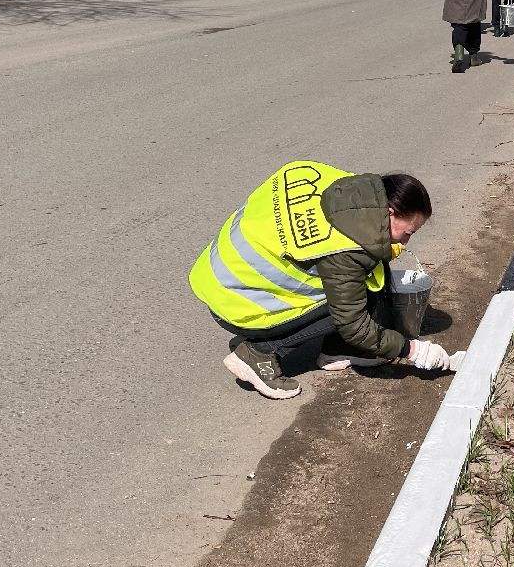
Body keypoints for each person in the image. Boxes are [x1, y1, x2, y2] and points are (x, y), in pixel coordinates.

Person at [189, 161, 457, 400]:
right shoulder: (345, 248)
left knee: (364, 275)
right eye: (408, 232)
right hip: (237, 300)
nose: (407, 241)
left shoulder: (343, 187)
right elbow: (353, 323)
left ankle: (338, 349)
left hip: (219, 272)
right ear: (388, 212)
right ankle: (259, 351)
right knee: (351, 302)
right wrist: (412, 350)